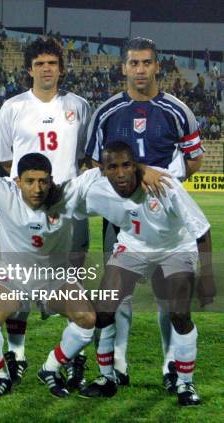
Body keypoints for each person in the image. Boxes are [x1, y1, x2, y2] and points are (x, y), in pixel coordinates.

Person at [84, 37, 209, 388]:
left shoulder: (177, 110)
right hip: (121, 217)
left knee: (168, 297)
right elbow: (95, 163)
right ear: (124, 67)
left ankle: (172, 367)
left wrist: (164, 185)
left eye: (146, 63)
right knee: (114, 296)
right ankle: (117, 364)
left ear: (157, 66)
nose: (140, 69)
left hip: (165, 216)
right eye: (134, 63)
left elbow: (194, 159)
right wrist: (139, 175)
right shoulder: (107, 111)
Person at [0, 153, 102, 398]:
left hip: (54, 277)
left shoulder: (67, 194)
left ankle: (50, 368)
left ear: (51, 180)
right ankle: (0, 376)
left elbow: (102, 171)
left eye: (43, 181)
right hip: (12, 276)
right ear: (18, 181)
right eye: (30, 181)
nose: (37, 189)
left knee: (87, 319)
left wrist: (147, 171)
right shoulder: (2, 191)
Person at [79, 142, 210, 407]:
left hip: (175, 247)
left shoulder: (164, 182)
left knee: (179, 313)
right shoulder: (96, 190)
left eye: (127, 165)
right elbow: (62, 197)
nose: (121, 173)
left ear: (137, 165)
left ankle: (185, 383)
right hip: (133, 247)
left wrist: (207, 276)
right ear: (102, 170)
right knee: (104, 309)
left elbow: (201, 229)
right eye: (112, 167)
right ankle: (107, 378)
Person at [0, 37, 92, 387]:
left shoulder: (79, 106)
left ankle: (73, 357)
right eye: (39, 64)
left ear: (61, 68)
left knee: (72, 281)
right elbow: (5, 160)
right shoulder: (13, 107)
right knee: (15, 278)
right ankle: (16, 354)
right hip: (22, 207)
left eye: (52, 63)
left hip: (68, 207)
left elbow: (84, 156)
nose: (46, 69)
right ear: (29, 69)